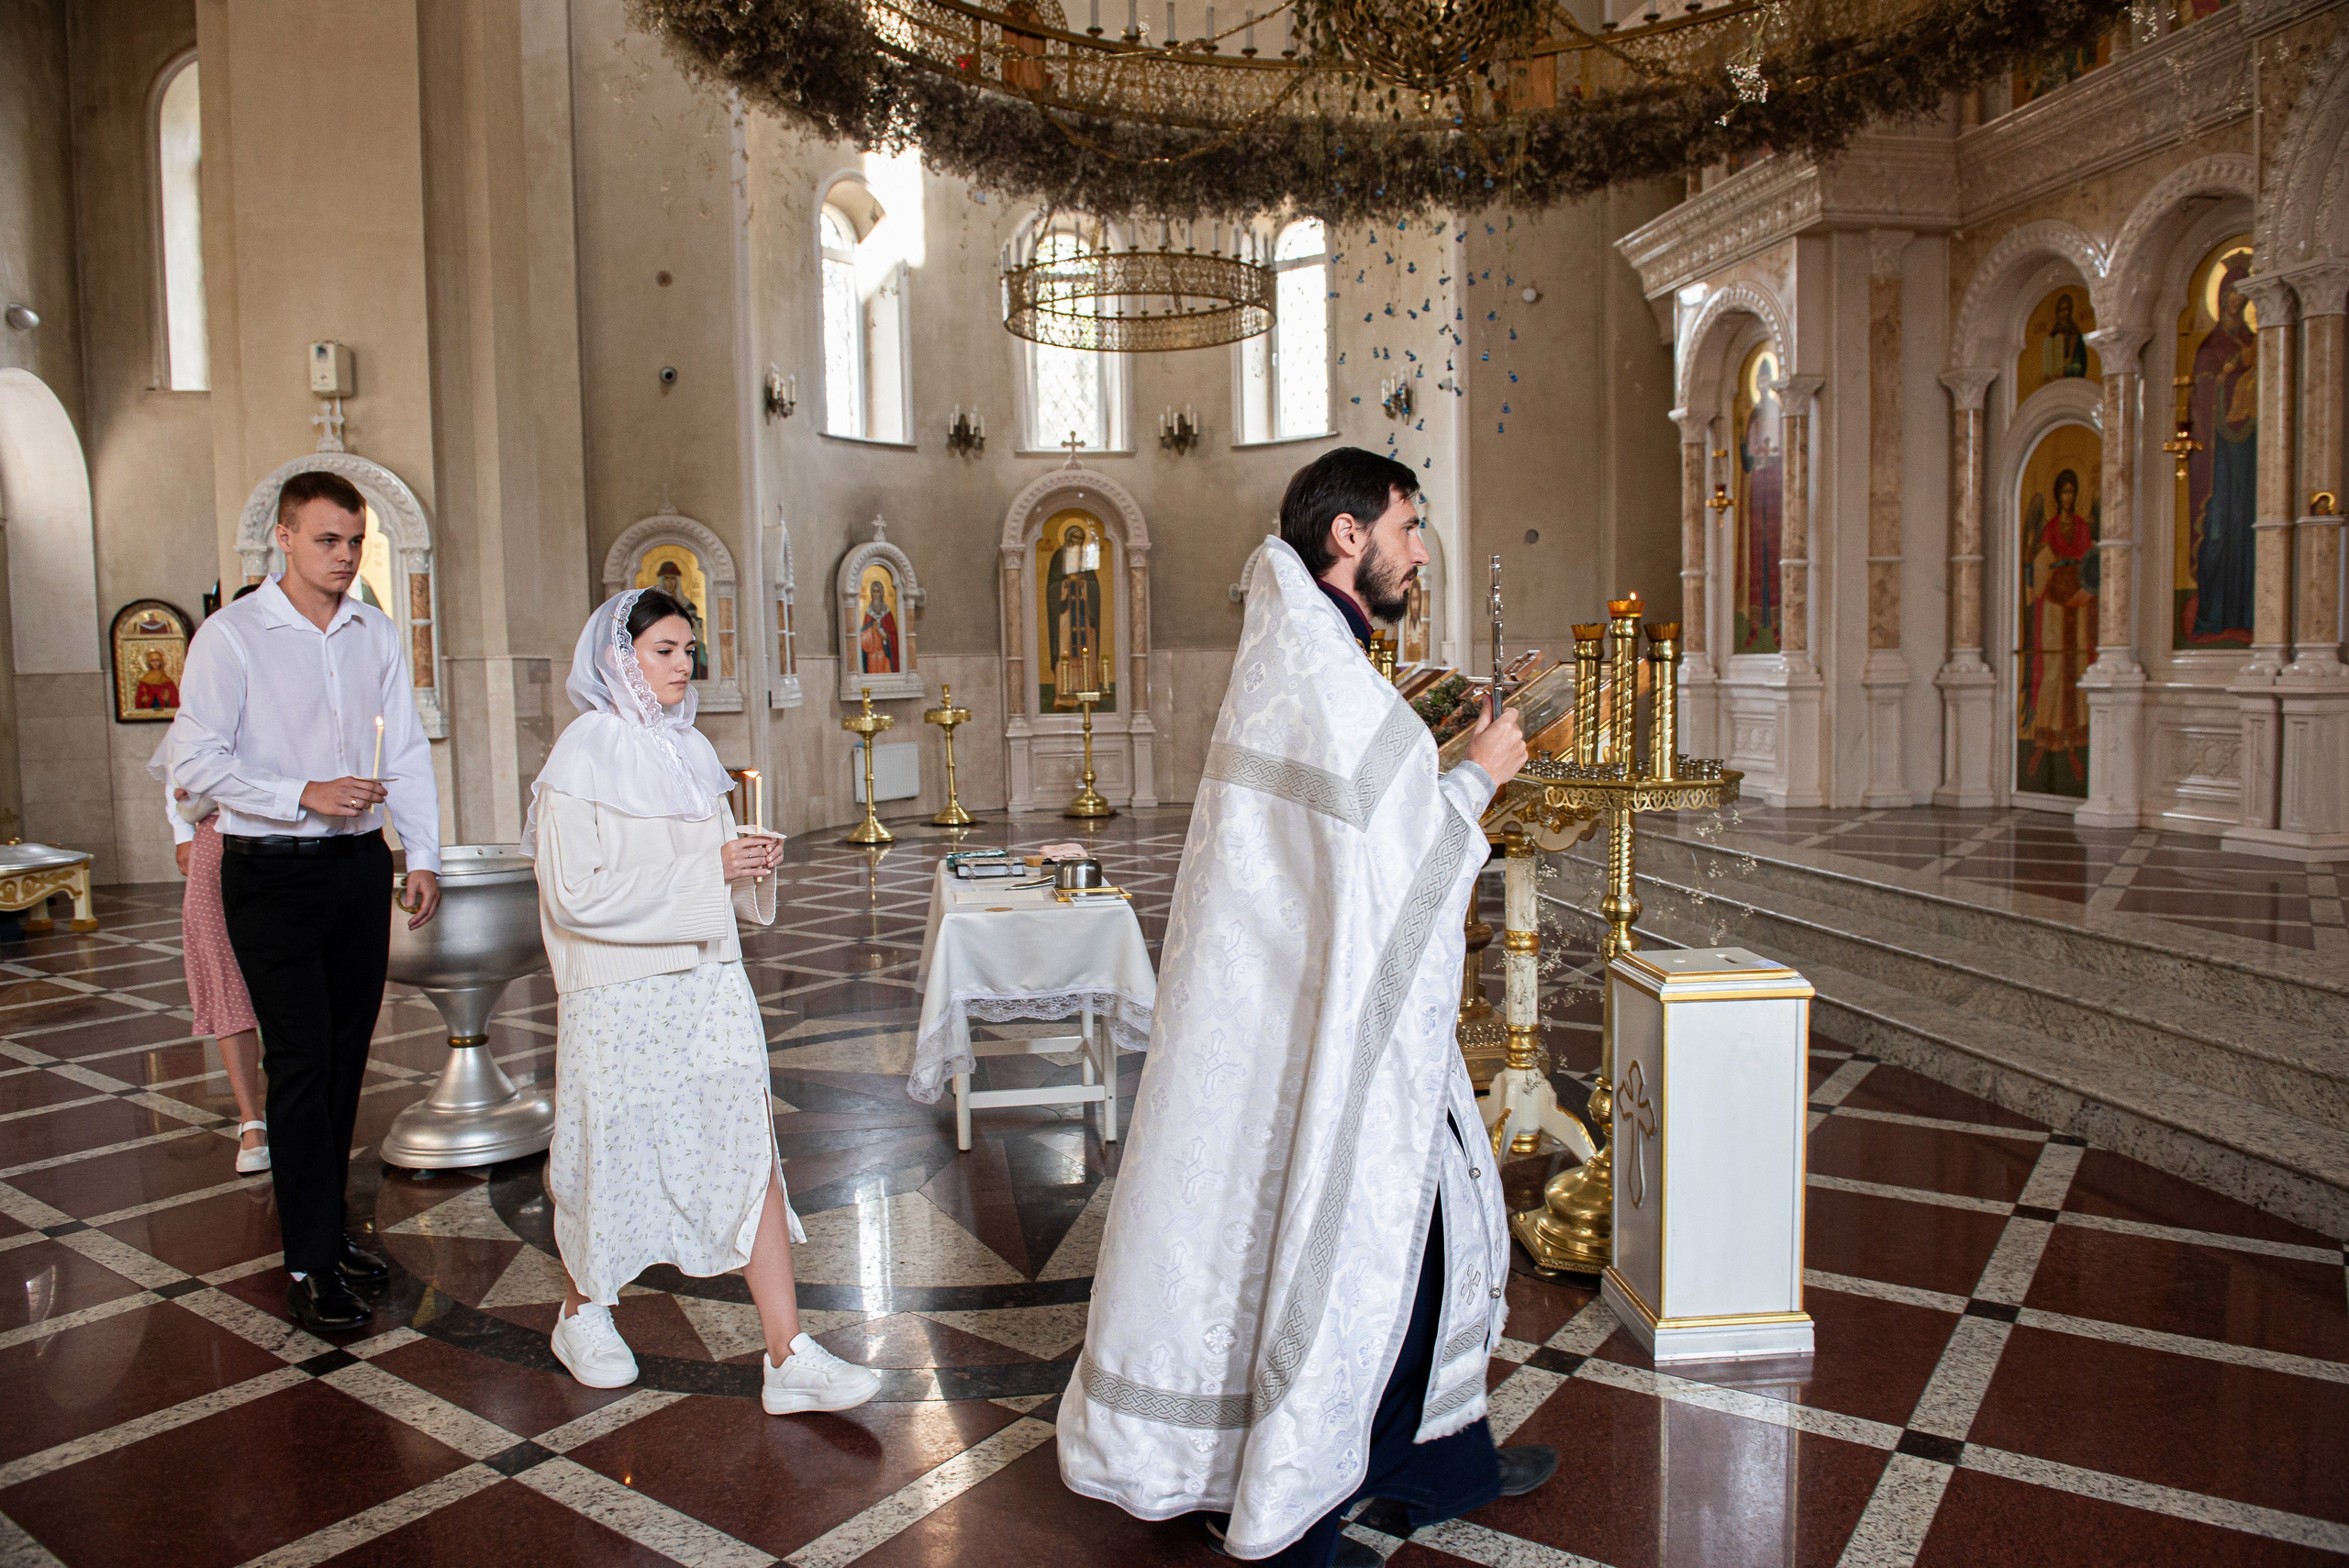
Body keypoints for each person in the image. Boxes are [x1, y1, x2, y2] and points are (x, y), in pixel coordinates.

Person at [1059, 448, 1554, 1567]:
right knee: (1349, 1231)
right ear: (1348, 537)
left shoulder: (1307, 651)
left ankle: (1434, 1456)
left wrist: (1435, 744)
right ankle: (1296, 1503)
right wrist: (1479, 774)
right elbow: (1395, 873)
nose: (1418, 551)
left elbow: (1355, 831)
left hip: (1291, 1007)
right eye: (1408, 527)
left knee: (1416, 1217)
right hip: (1308, 1021)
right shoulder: (1322, 675)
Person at [524, 586, 880, 1416]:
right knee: (610, 1148)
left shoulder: (692, 751)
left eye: (689, 651)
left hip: (710, 985)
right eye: (665, 650)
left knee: (745, 1143)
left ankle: (788, 1354)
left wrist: (750, 865)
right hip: (617, 993)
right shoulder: (582, 753)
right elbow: (574, 893)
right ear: (621, 657)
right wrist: (707, 872)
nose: (684, 665)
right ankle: (583, 1310)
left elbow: (720, 879)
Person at [172, 470, 442, 1334]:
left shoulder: (375, 633)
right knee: (298, 1063)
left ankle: (331, 1238)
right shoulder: (232, 635)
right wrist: (303, 792)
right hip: (268, 872)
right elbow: (195, 764)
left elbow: (405, 747)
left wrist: (421, 852)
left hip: (357, 870)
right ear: (284, 538)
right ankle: (307, 1260)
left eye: (356, 541)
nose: (346, 555)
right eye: (329, 539)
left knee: (344, 1058)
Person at [150, 664, 269, 1175]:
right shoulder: (208, 702)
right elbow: (181, 774)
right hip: (218, 846)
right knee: (226, 981)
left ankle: (302, 1110)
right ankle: (252, 1121)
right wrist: (182, 832)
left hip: (294, 846)